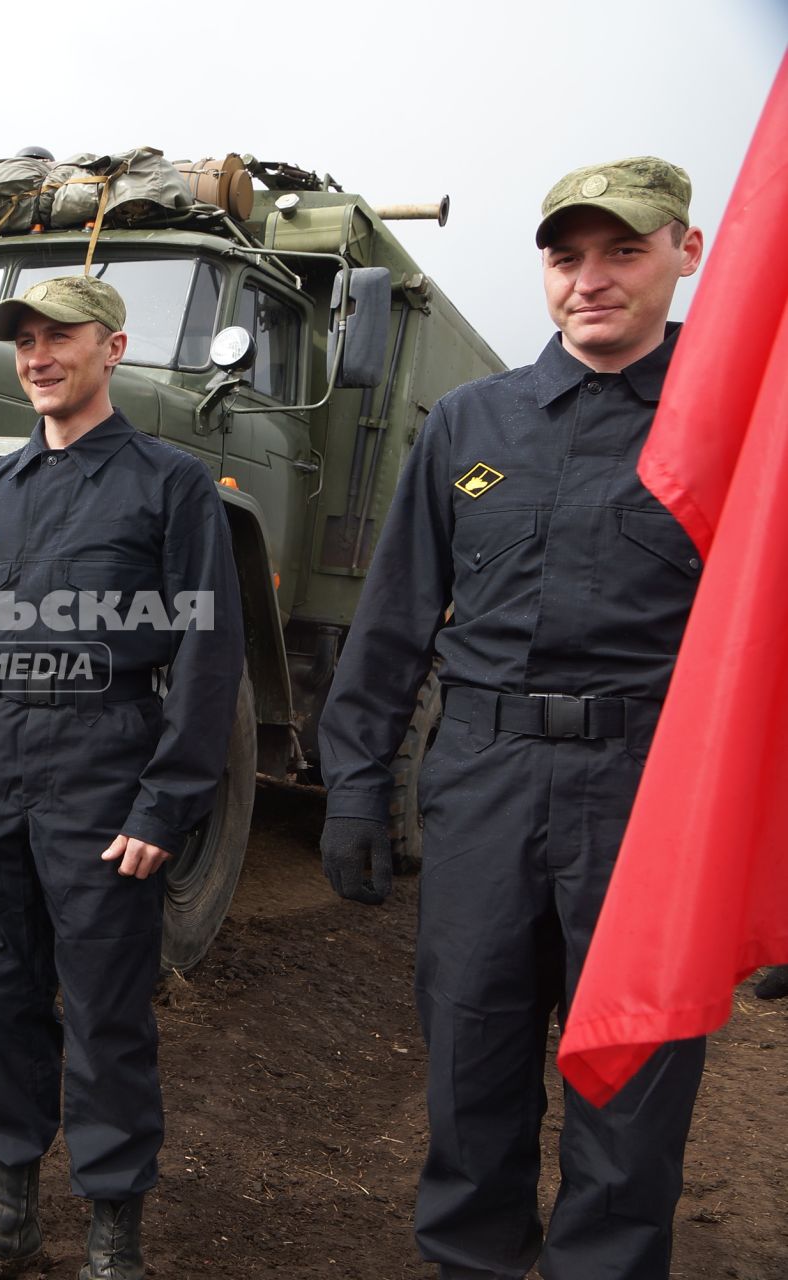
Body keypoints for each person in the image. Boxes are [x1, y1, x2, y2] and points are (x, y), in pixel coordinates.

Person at [317, 157, 708, 1279]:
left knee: (630, 1086)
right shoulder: (468, 424)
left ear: (685, 253)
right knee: (469, 1062)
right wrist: (353, 784)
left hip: (646, 795)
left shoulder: (728, 427)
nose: (588, 278)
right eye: (564, 254)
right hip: (483, 780)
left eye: (621, 250)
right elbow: (391, 619)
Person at [0, 275, 243, 1280]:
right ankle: (6, 1206)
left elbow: (207, 660)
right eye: (24, 340)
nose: (39, 355)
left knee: (102, 1008)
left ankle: (111, 1235)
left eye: (60, 337)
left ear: (112, 348)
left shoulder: (169, 483)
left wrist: (167, 801)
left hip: (101, 762)